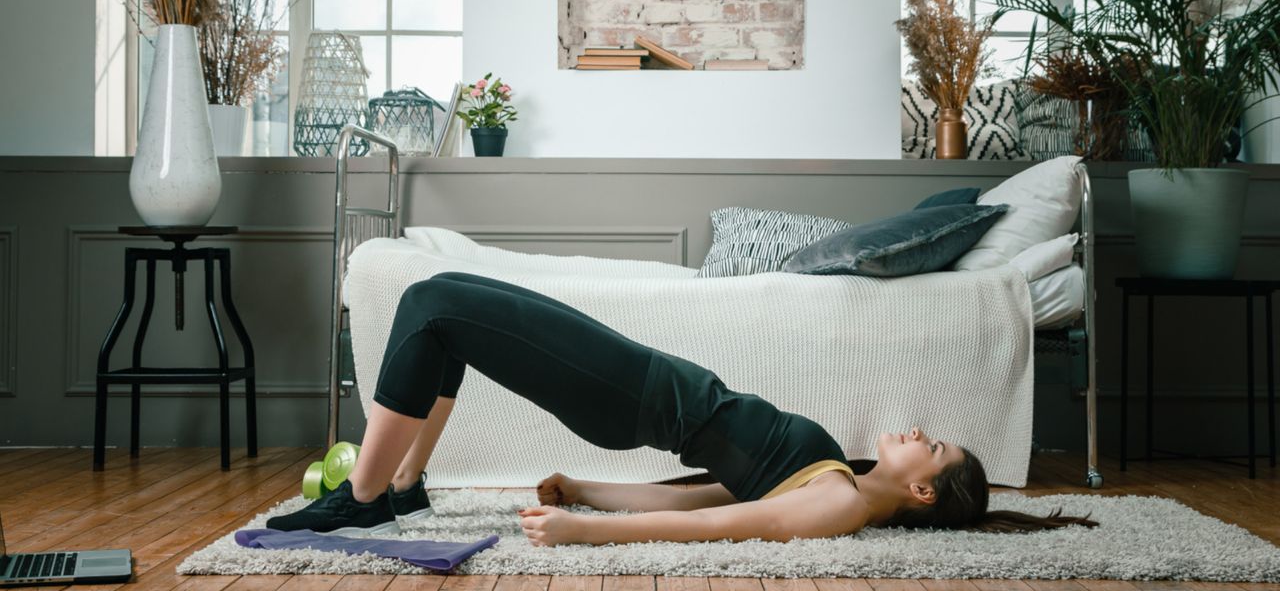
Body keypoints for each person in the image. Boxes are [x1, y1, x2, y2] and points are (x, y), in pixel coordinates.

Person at [268, 272, 1097, 544]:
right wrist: (586, 490)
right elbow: (707, 494)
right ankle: (402, 484)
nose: (919, 431)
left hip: (632, 391)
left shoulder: (840, 503)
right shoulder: (835, 475)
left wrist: (585, 533)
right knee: (444, 323)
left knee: (432, 301)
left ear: (923, 490)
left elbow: (710, 531)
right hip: (637, 386)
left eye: (935, 446)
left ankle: (367, 499)